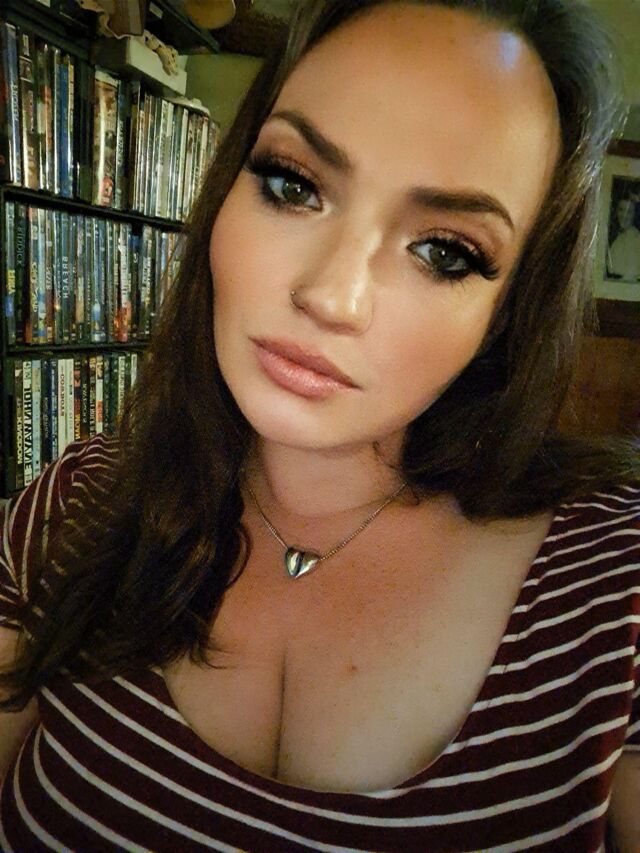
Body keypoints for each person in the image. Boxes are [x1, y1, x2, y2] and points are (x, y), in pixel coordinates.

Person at [1, 0, 639, 850]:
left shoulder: (618, 592)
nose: (333, 296)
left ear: (507, 310)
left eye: (445, 251)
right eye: (293, 184)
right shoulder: (69, 509)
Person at [607, 196, 640, 281]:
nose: (624, 215)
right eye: (621, 209)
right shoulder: (620, 236)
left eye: (629, 212)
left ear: (634, 215)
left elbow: (632, 276)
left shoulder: (635, 239)